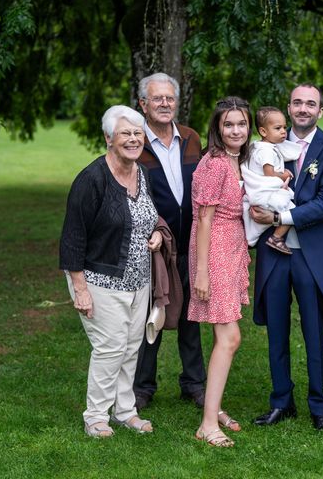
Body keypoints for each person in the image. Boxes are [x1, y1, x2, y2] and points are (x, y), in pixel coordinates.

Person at [60, 105, 162, 437]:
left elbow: (148, 216)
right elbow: (73, 239)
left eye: (137, 133)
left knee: (132, 345)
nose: (133, 139)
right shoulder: (91, 180)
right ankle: (96, 416)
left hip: (138, 279)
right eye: (125, 133)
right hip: (99, 279)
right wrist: (81, 289)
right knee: (110, 346)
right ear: (108, 138)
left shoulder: (141, 172)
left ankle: (125, 410)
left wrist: (157, 233)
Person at [250, 84, 323, 431]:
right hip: (274, 254)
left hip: (310, 252)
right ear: (288, 108)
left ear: (320, 111)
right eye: (297, 103)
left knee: (313, 330)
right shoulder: (271, 144)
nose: (303, 109)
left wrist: (280, 218)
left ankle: (319, 404)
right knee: (276, 328)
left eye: (311, 104)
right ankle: (281, 401)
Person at [134, 72, 206, 410]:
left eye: (170, 98)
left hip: (191, 242)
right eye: (157, 99)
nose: (165, 104)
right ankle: (141, 388)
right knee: (152, 315)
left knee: (192, 316)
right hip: (153, 246)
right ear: (143, 104)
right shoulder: (136, 142)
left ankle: (194, 383)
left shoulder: (191, 138)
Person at [190, 96, 252, 447]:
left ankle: (215, 408)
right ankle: (208, 424)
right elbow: (204, 219)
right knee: (230, 338)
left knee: (222, 336)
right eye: (228, 124)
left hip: (231, 248)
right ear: (217, 128)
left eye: (241, 123)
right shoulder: (214, 163)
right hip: (212, 251)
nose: (235, 130)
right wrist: (202, 271)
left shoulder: (238, 160)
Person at [241, 106, 301, 254]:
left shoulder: (260, 146)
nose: (283, 131)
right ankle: (276, 238)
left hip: (261, 193)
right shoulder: (266, 151)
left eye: (284, 127)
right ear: (263, 131)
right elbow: (269, 174)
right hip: (264, 193)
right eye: (278, 128)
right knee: (292, 211)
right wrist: (285, 175)